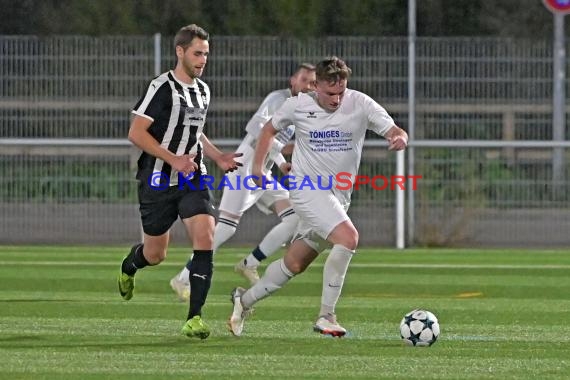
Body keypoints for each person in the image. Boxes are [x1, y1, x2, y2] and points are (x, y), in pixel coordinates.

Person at [228, 56, 408, 337]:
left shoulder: (360, 103)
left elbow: (394, 129)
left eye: (341, 92)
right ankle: (327, 315)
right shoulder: (299, 105)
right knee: (349, 239)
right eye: (330, 93)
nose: (336, 99)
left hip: (338, 198)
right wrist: (256, 167)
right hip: (305, 189)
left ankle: (244, 300)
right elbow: (268, 129)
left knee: (295, 263)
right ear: (317, 87)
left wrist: (399, 137)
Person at [117, 24, 242, 340]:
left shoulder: (203, 90)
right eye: (197, 53)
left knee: (206, 234)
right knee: (155, 255)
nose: (202, 60)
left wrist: (216, 157)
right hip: (157, 179)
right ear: (180, 51)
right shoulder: (162, 87)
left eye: (206, 54)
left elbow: (194, 131)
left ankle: (194, 317)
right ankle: (130, 267)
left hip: (192, 178)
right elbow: (136, 132)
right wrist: (172, 159)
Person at [169, 63, 316, 302]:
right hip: (245, 167)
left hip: (262, 172)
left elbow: (273, 141)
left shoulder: (301, 110)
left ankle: (250, 263)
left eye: (312, 82)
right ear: (293, 80)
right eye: (305, 80)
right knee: (226, 228)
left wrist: (280, 163)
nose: (308, 86)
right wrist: (279, 156)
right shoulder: (278, 99)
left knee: (295, 218)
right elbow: (258, 128)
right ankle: (183, 277)